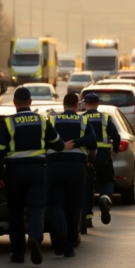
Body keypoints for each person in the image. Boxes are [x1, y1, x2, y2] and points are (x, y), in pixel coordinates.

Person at [0, 87, 71, 265]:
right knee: (36, 208)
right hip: (37, 171)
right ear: (30, 102)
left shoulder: (8, 123)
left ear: (14, 102)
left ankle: (18, 254)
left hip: (14, 173)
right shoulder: (41, 120)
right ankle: (34, 237)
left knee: (15, 212)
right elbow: (58, 144)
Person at [46, 94, 98, 257]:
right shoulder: (83, 120)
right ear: (77, 105)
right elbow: (92, 140)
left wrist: (61, 145)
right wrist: (76, 143)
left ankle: (58, 237)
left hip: (54, 166)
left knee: (55, 205)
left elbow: (43, 141)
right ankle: (69, 245)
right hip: (77, 167)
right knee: (73, 206)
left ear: (63, 105)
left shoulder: (52, 120)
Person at [80, 93, 121, 231]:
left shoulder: (81, 118)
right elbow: (116, 136)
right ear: (98, 104)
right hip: (103, 156)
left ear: (85, 104)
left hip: (87, 157)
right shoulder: (105, 118)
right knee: (107, 181)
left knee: (87, 187)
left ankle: (87, 218)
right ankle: (104, 198)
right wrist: (115, 151)